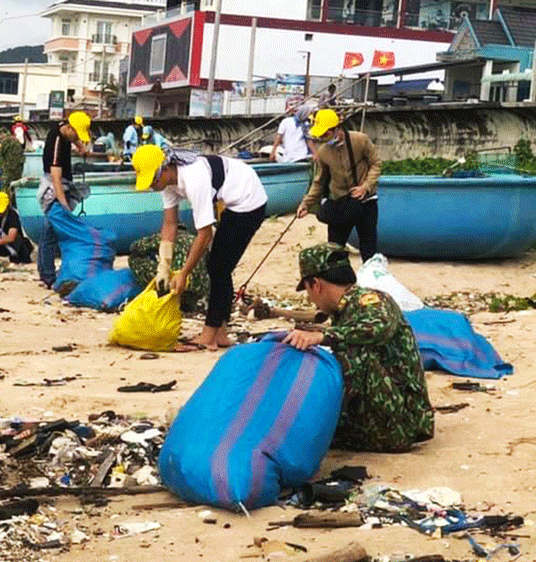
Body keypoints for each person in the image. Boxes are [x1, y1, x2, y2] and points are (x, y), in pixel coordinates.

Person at [283, 243, 434, 453]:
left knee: (352, 353)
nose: (310, 299)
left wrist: (322, 337)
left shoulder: (372, 301)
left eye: (308, 290)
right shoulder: (346, 310)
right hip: (384, 415)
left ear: (316, 285)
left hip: (400, 425)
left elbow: (376, 329)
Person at [132, 144, 268, 351]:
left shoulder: (195, 178)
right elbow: (170, 224)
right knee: (219, 267)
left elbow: (205, 233)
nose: (152, 186)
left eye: (153, 180)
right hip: (229, 200)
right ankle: (220, 333)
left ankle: (209, 335)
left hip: (248, 202)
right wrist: (164, 265)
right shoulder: (167, 184)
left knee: (218, 267)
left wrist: (184, 272)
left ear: (166, 169)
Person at [296, 109, 382, 262]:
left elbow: (376, 163)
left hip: (367, 201)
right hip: (340, 203)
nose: (322, 138)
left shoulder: (360, 140)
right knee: (334, 250)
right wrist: (306, 204)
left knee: (369, 250)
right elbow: (319, 181)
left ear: (337, 128)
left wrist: (365, 186)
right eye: (320, 135)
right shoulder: (323, 152)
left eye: (325, 134)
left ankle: (371, 282)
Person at [37, 110, 91, 288]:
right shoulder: (56, 143)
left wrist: (80, 146)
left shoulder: (65, 130)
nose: (76, 136)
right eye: (75, 133)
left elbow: (74, 137)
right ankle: (47, 275)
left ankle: (50, 272)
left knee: (51, 231)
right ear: (69, 128)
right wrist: (63, 204)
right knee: (50, 232)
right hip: (53, 187)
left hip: (63, 181)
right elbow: (56, 178)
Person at [0, 130, 25, 201]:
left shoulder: (5, 142)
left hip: (9, 168)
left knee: (5, 187)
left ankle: (4, 206)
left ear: (1, 135)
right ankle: (14, 203)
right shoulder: (16, 140)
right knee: (15, 187)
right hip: (19, 168)